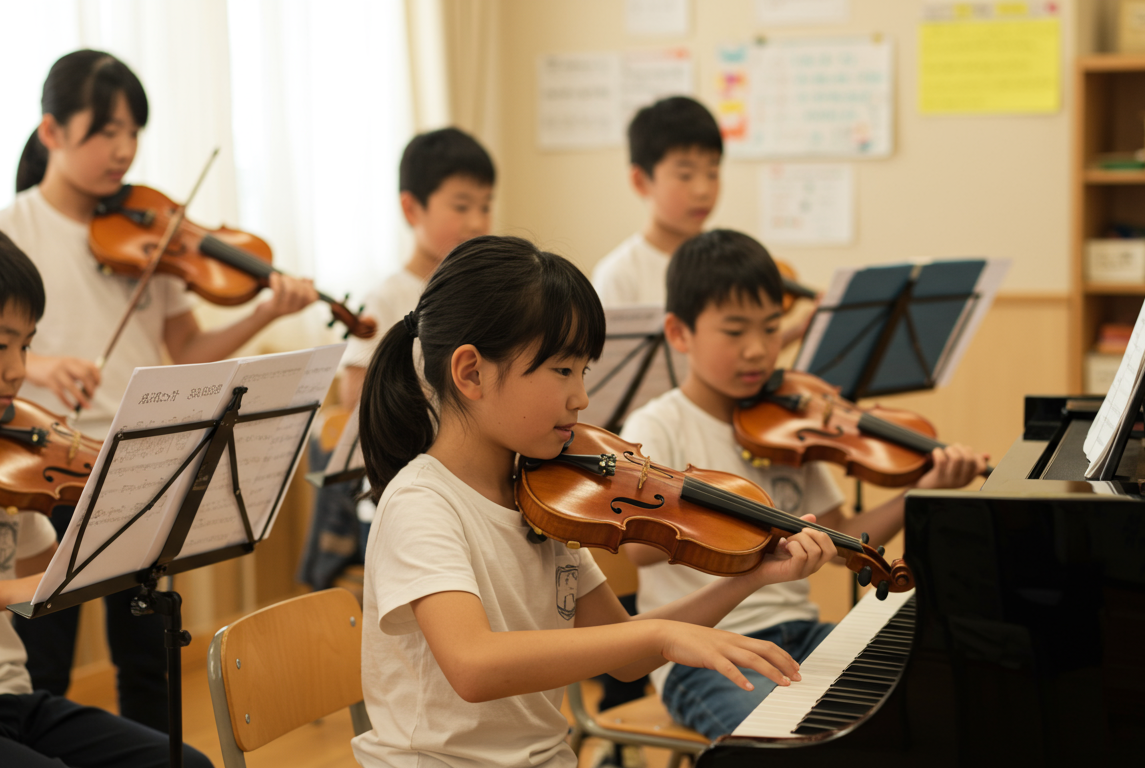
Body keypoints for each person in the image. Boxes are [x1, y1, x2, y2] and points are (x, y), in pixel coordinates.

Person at [351, 234, 839, 767]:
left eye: (583, 371)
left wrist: (750, 577)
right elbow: (472, 664)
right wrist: (664, 634)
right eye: (563, 370)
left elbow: (625, 650)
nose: (581, 397)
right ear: (471, 372)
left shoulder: (544, 497)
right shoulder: (422, 502)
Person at [0, 49, 318, 731]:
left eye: (133, 131)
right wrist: (42, 366)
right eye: (105, 131)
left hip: (139, 459)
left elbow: (186, 348)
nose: (124, 150)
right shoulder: (6, 233)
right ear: (51, 132)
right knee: (43, 655)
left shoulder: (151, 229)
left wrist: (262, 313)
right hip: (40, 465)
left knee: (148, 656)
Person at [0, 222, 212, 768]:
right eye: (1, 345)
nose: (20, 370)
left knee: (184, 764)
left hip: (11, 700)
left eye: (26, 345)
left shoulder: (3, 461)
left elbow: (50, 570)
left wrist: (128, 506)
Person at [620, 229, 989, 739]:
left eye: (772, 330)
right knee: (792, 741)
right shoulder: (656, 427)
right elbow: (639, 552)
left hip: (801, 634)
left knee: (932, 689)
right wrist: (752, 524)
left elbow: (841, 538)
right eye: (734, 332)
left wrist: (919, 491)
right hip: (702, 652)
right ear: (680, 333)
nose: (758, 350)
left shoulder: (787, 428)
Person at [300, 127, 495, 588]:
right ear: (412, 208)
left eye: (485, 206)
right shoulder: (386, 299)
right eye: (461, 205)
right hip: (407, 485)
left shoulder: (485, 295)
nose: (476, 221)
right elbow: (357, 401)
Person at [592, 96, 721, 308]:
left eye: (712, 172)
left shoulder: (727, 265)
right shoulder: (619, 275)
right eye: (685, 175)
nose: (703, 190)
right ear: (640, 181)